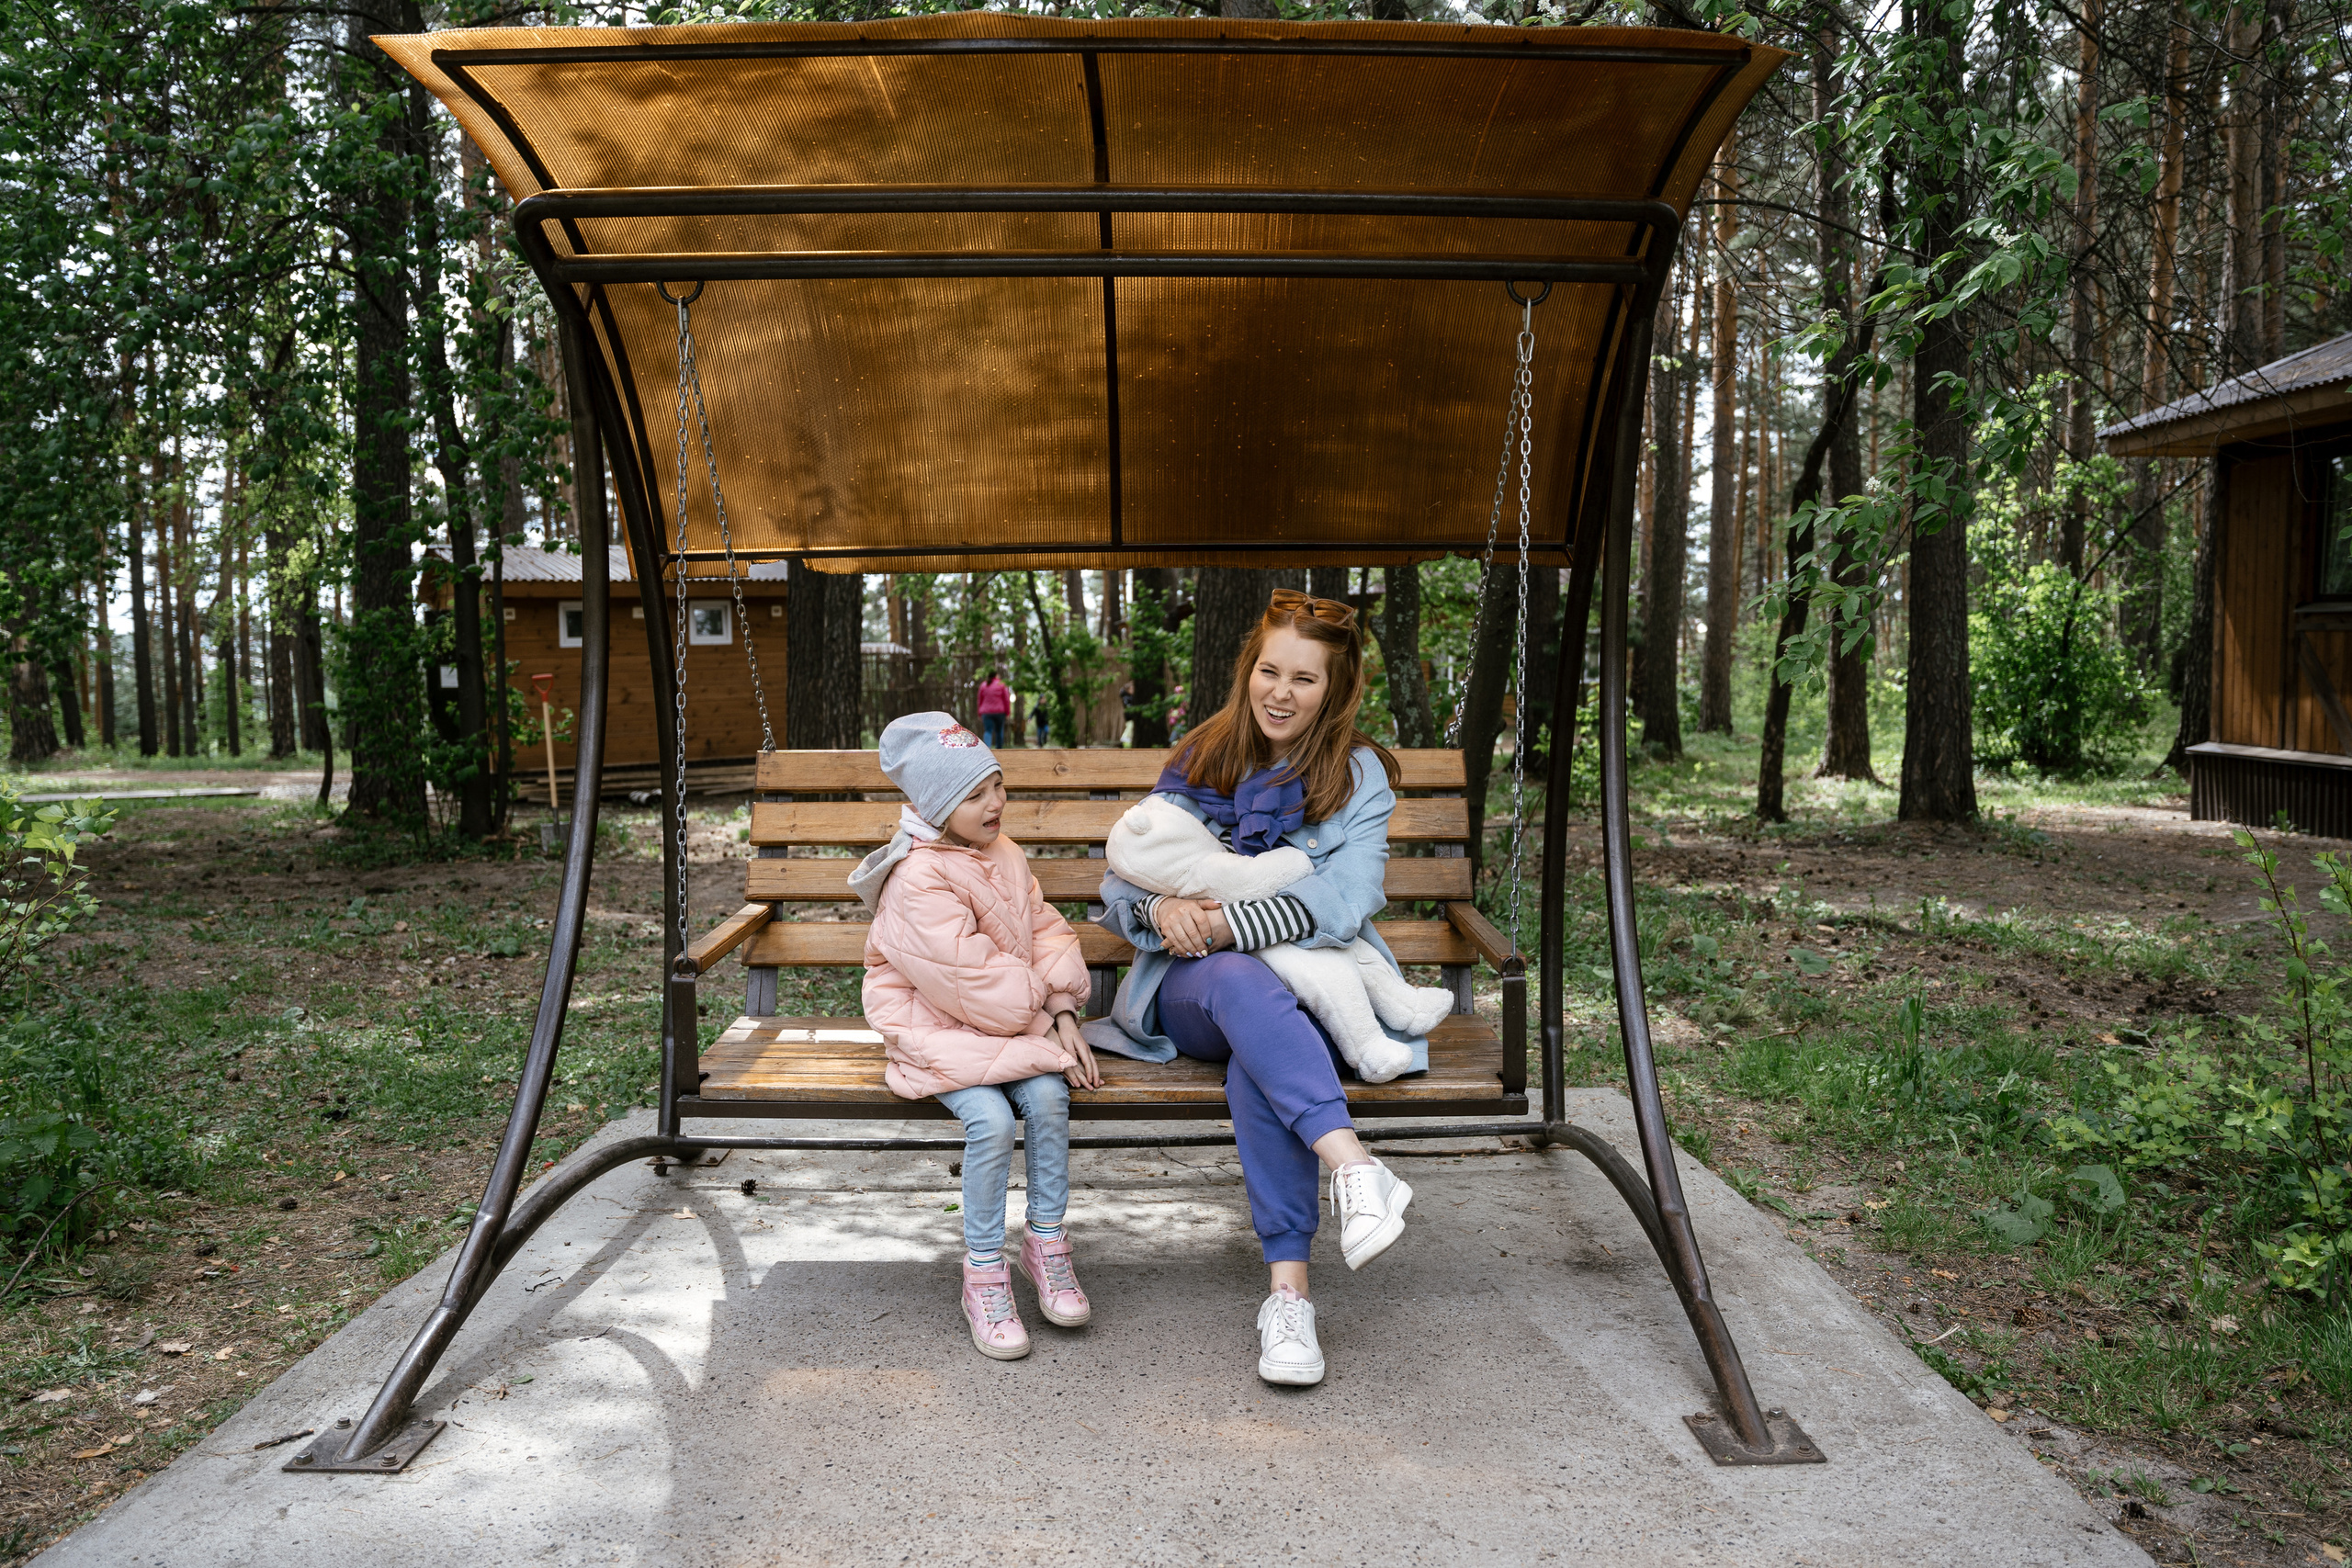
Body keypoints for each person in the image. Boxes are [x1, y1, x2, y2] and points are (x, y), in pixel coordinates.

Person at [1087, 589, 1419, 1388]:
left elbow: (1347, 899)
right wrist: (1160, 909)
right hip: (1194, 988)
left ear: (1336, 688)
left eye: (1305, 679)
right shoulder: (1203, 755)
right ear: (1248, 669)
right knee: (1239, 982)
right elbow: (1126, 871)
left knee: (1258, 1059)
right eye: (1270, 671)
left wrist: (1233, 922)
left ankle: (1289, 1299)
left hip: (1307, 990)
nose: (1281, 692)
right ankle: (1353, 1165)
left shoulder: (1359, 776)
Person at [851, 711, 1103, 1360]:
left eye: (997, 785)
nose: (995, 803)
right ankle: (985, 1272)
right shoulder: (917, 878)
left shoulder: (1004, 853)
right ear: (937, 806)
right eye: (974, 795)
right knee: (991, 1121)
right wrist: (1045, 1020)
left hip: (1006, 1028)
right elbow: (975, 985)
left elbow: (1045, 929)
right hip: (935, 1031)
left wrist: (1065, 1011)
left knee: (1049, 1097)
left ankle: (1046, 1243)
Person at [975, 668, 1012, 749]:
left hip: (986, 712)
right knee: (999, 731)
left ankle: (987, 749)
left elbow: (979, 700)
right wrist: (1008, 712)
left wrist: (980, 713)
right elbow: (1006, 699)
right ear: (996, 675)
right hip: (999, 712)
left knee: (988, 731)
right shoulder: (1001, 684)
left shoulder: (983, 685)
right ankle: (999, 749)